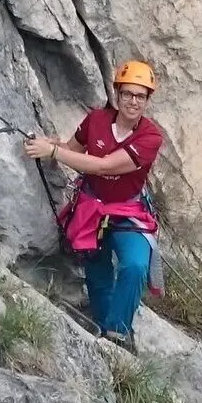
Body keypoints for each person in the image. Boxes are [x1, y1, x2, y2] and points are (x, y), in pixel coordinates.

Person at [24, 60, 162, 348]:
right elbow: (71, 150)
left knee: (135, 265)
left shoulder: (150, 138)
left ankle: (117, 333)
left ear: (148, 100)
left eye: (140, 96)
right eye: (127, 94)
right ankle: (104, 333)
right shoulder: (96, 121)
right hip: (92, 210)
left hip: (127, 211)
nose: (133, 101)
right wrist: (49, 146)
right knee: (98, 276)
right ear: (117, 93)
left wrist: (53, 152)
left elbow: (102, 166)